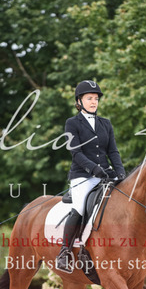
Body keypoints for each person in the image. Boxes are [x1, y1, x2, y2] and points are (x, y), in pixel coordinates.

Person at [55, 80, 126, 273]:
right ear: (79, 101)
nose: (94, 102)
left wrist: (121, 172)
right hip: (82, 176)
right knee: (79, 207)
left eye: (96, 99)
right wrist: (93, 169)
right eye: (89, 98)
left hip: (106, 174)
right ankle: (65, 252)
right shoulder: (72, 123)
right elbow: (76, 153)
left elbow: (113, 151)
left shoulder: (105, 123)